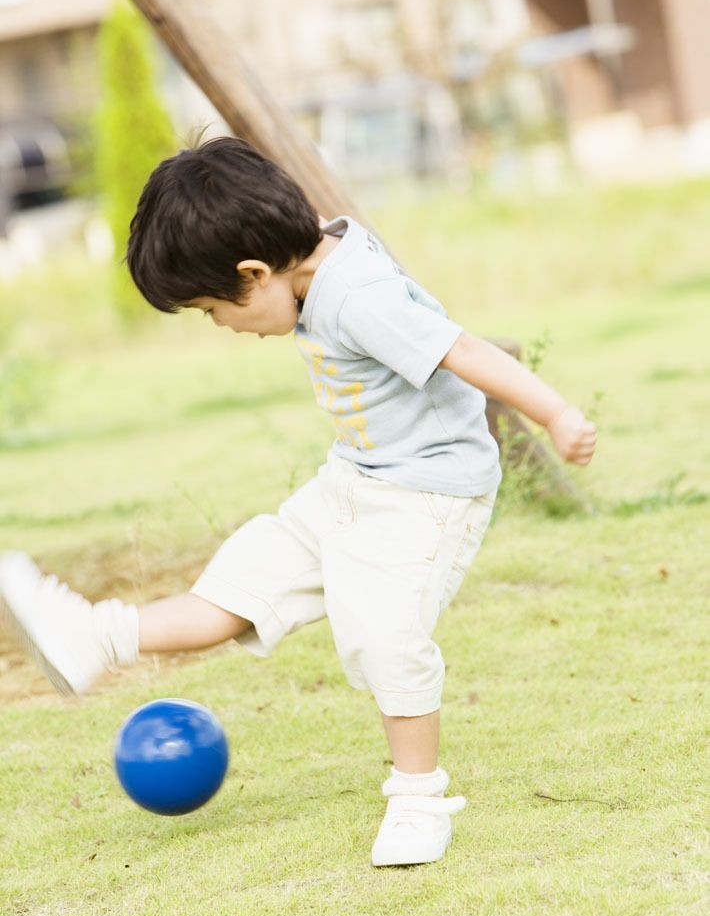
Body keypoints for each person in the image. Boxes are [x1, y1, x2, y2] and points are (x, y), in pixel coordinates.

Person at [0, 137, 597, 868]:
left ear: (255, 273)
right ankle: (94, 636)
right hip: (353, 480)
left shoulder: (358, 297)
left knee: (385, 635)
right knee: (243, 580)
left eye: (216, 308)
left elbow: (465, 351)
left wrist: (556, 413)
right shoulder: (314, 264)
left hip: (425, 495)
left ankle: (418, 797)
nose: (222, 325)